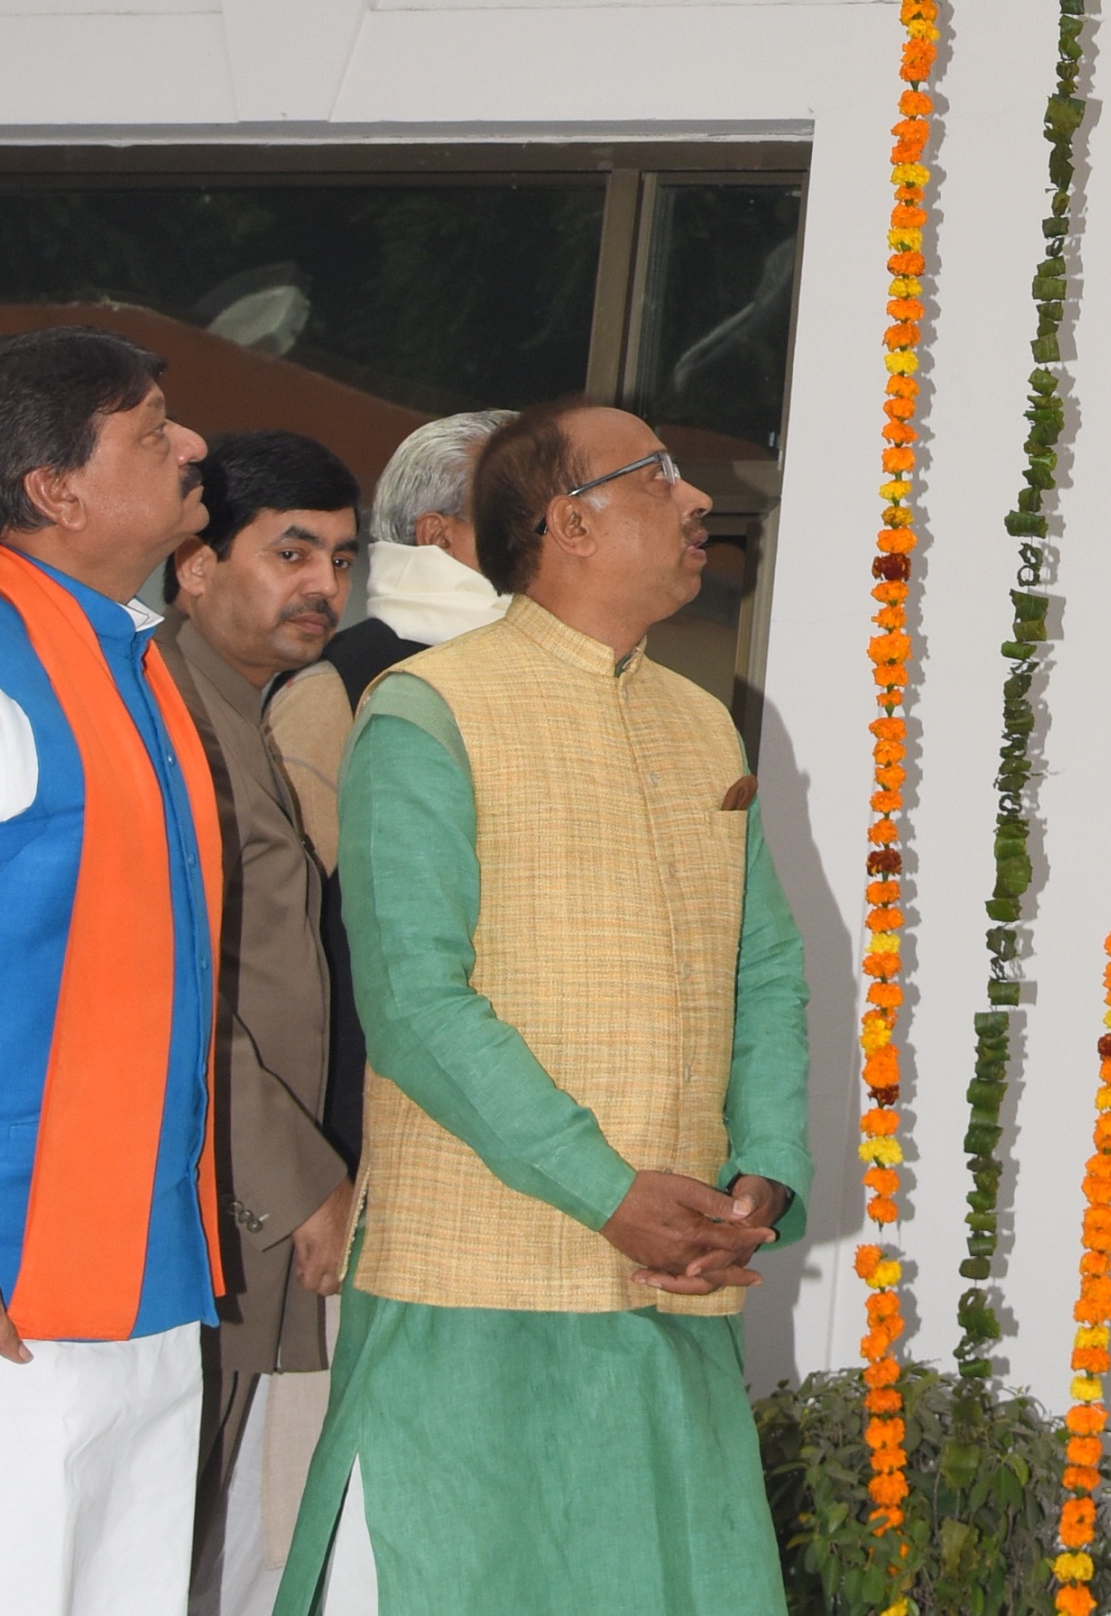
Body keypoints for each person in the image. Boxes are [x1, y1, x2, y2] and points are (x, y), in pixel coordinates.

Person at [277, 400, 807, 1616]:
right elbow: (414, 1002)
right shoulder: (425, 709)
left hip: (670, 1283)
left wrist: (762, 1169)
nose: (694, 501)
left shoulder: (698, 716)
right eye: (657, 478)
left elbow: (764, 968)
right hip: (474, 1281)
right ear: (568, 521)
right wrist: (608, 1192)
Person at [0, 330, 223, 1613]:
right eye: (152, 428)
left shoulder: (125, 662)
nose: (193, 446)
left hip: (132, 1287)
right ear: (53, 489)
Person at [159, 435, 366, 1616]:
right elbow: (175, 995)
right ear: (194, 564)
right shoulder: (166, 719)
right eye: (290, 549)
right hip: (196, 1212)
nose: (322, 585)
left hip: (228, 1215)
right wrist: (301, 1182)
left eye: (340, 556)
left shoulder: (244, 714)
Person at [271, 411, 512, 863]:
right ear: (437, 537)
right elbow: (291, 897)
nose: (549, 536)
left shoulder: (566, 669)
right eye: (518, 515)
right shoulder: (331, 689)